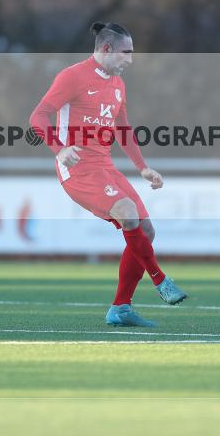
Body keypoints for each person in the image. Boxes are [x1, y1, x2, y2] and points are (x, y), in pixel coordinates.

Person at [29, 22, 188, 328]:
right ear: (106, 49)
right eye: (126, 52)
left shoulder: (117, 84)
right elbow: (37, 116)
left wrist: (143, 167)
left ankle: (121, 308)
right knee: (128, 214)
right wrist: (59, 149)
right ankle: (160, 279)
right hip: (76, 169)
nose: (130, 59)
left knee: (147, 230)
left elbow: (123, 130)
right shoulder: (72, 76)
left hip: (105, 167)